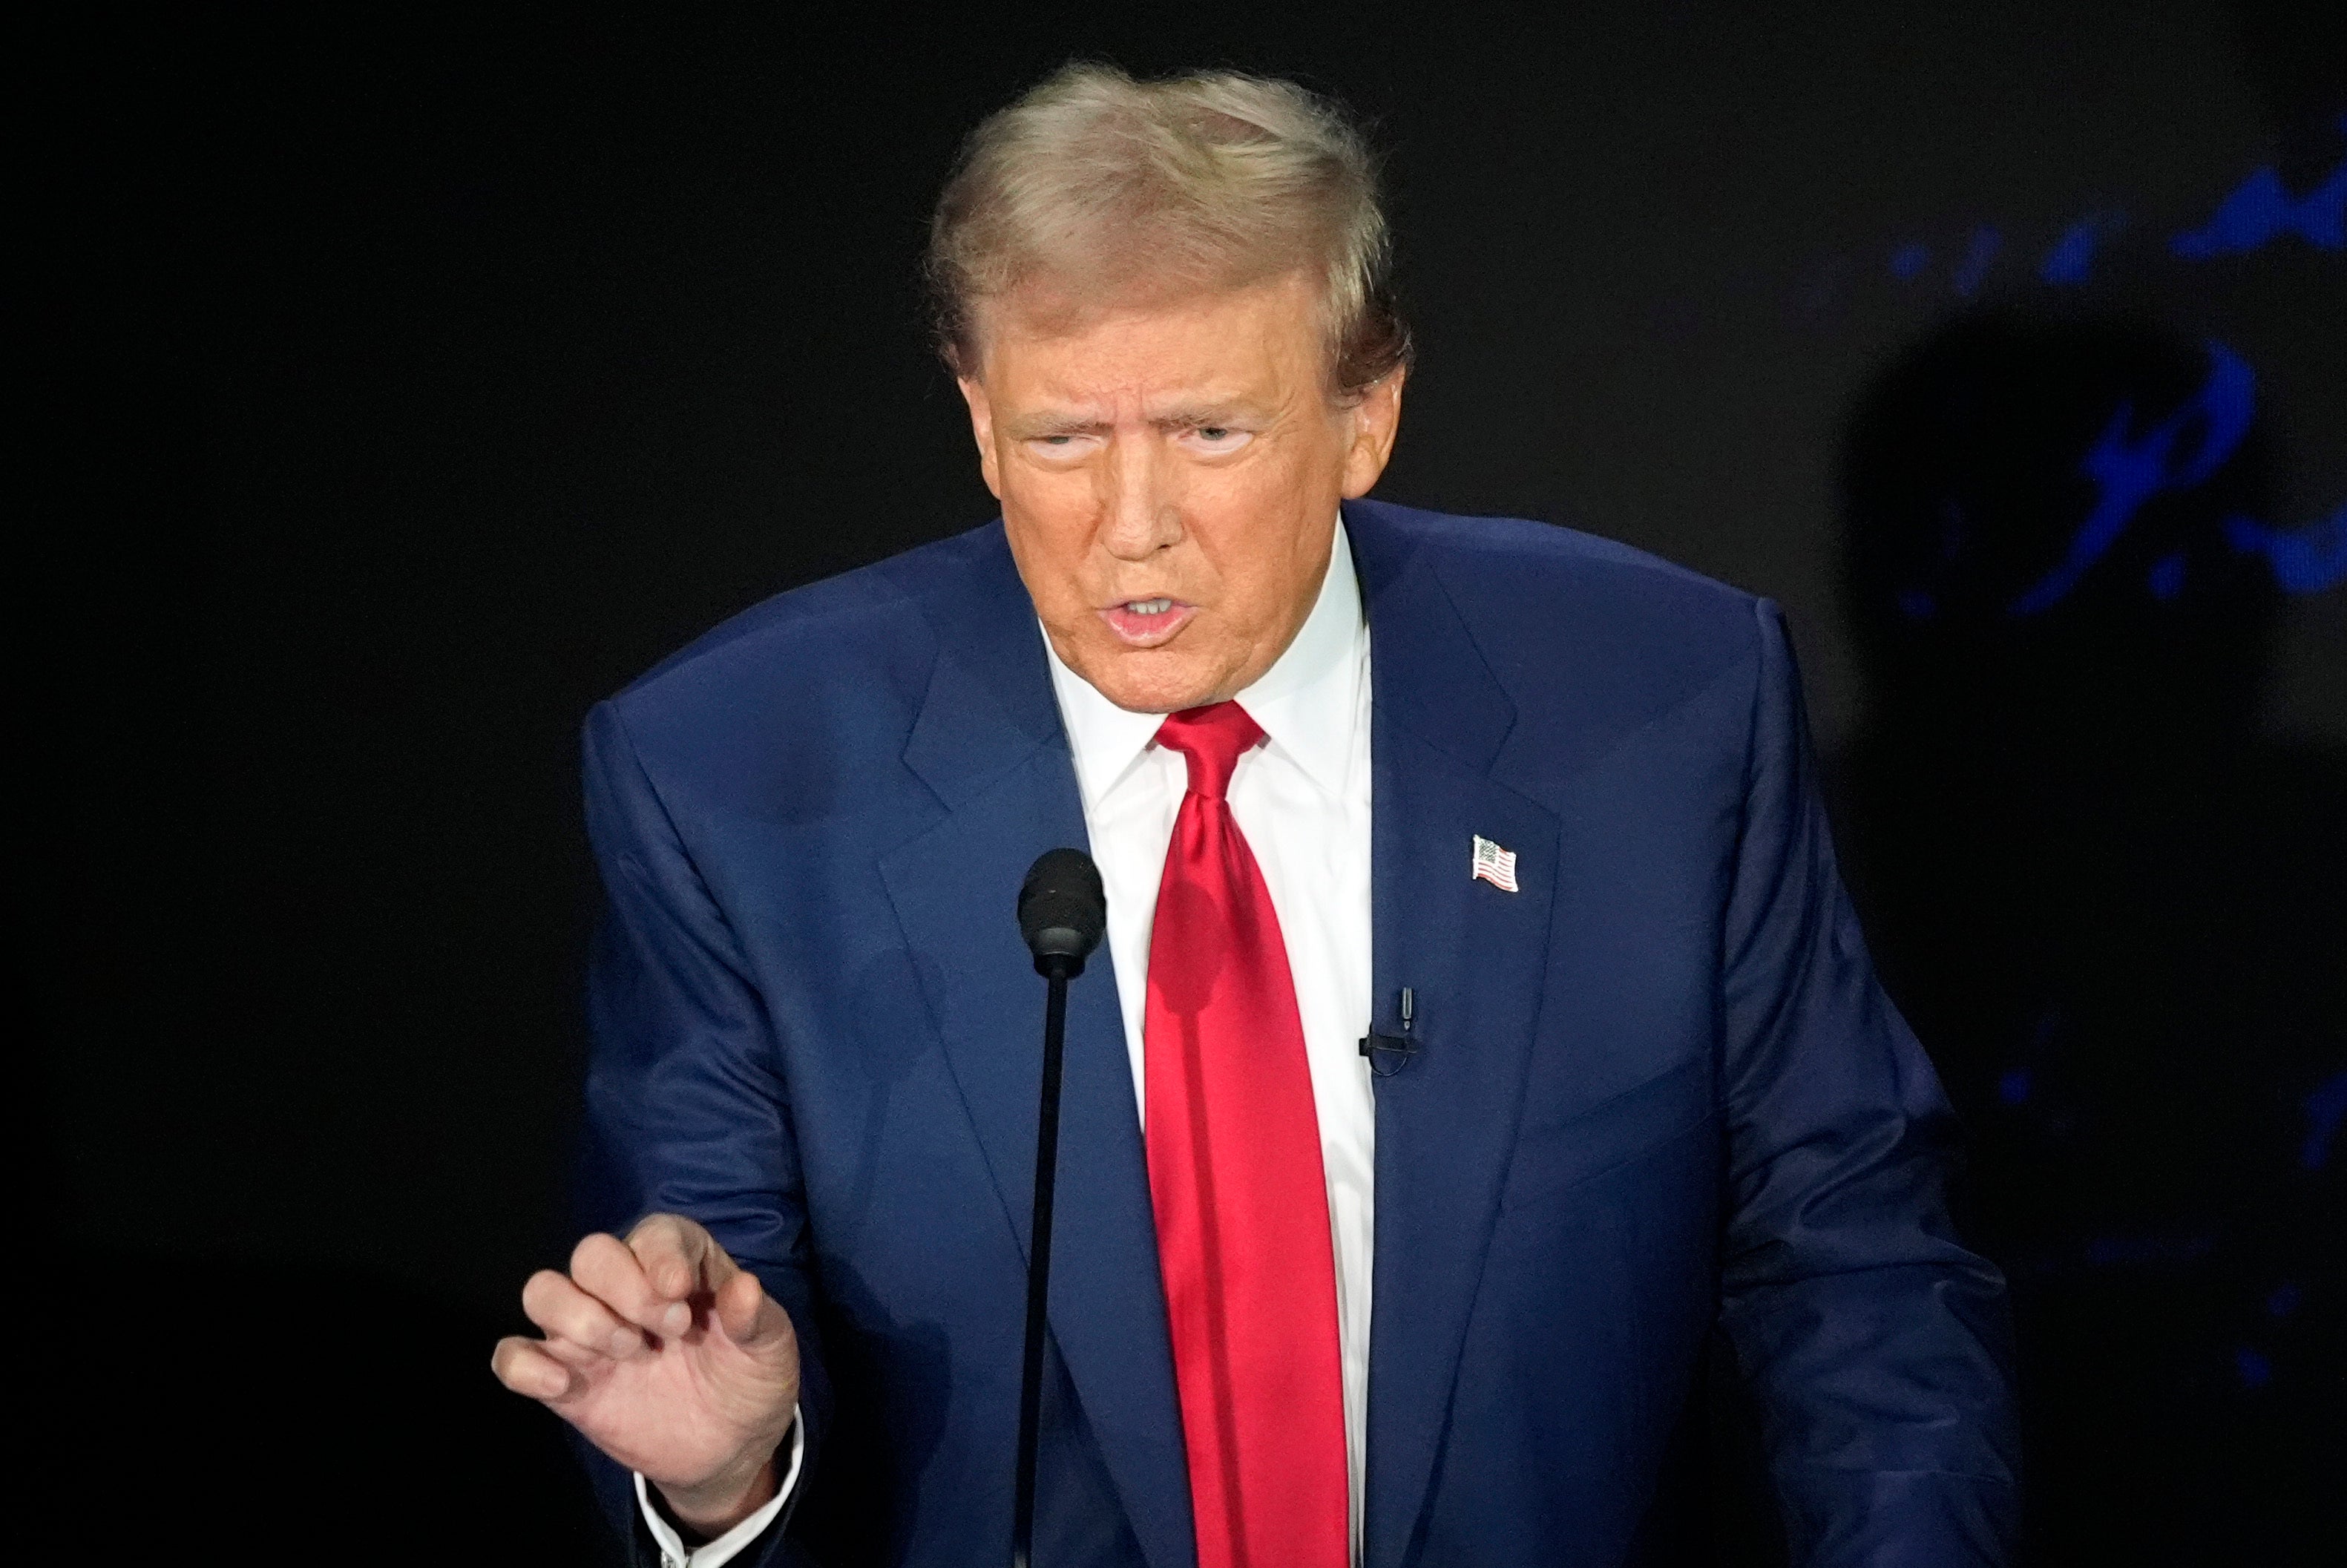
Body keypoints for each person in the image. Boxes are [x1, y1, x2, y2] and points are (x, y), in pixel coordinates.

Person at [491, 63, 2018, 1568]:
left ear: (1365, 417)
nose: (1130, 525)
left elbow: (1851, 1266)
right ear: (974, 419)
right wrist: (729, 1481)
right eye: (1062, 440)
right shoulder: (735, 774)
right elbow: (695, 1327)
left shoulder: (1658, 705)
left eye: (1211, 433)